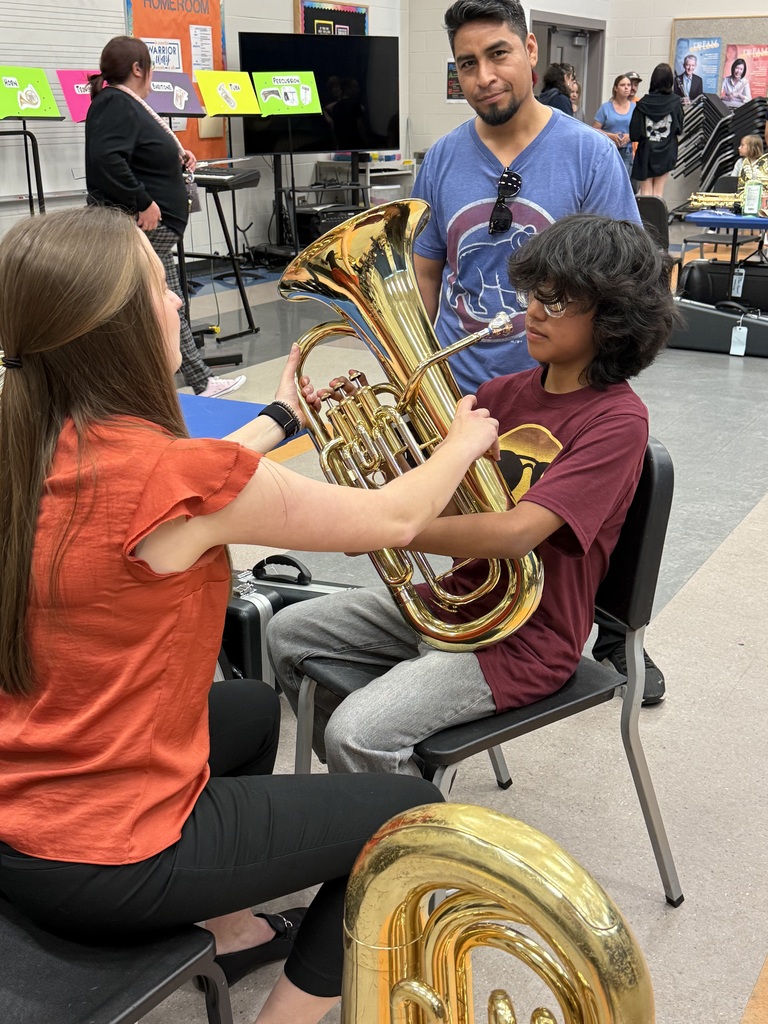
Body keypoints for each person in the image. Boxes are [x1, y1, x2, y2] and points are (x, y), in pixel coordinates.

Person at [0, 206, 504, 1024]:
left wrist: (279, 419)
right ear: (116, 326)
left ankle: (225, 925)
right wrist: (457, 443)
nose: (176, 303)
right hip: (108, 858)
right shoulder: (182, 478)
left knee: (244, 706)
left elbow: (194, 497)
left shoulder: (24, 440)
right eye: (160, 286)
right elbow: (390, 521)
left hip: (21, 820)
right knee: (406, 815)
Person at [269, 214, 678, 776]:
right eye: (536, 292)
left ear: (612, 318)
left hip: (527, 637)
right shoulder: (499, 392)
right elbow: (443, 494)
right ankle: (370, 800)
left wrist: (380, 523)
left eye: (559, 302)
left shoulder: (617, 420)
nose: (534, 309)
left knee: (357, 732)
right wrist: (354, 433)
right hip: (458, 598)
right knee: (288, 631)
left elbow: (517, 535)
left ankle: (404, 836)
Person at [406, 0, 662, 703]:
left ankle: (609, 634)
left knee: (565, 540)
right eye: (466, 63)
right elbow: (427, 268)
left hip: (566, 393)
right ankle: (456, 643)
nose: (483, 75)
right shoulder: (444, 159)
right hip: (468, 385)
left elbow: (623, 273)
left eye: (497, 54)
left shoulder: (589, 153)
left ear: (527, 49)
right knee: (472, 541)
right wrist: (410, 372)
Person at [85, 35, 245, 400]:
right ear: (138, 68)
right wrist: (143, 201)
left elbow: (138, 151)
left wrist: (177, 155)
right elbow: (108, 159)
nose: (153, 73)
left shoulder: (124, 103)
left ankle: (200, 380)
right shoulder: (115, 103)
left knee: (168, 298)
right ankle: (142, 384)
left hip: (152, 227)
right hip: (140, 223)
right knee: (155, 301)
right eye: (150, 66)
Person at [629, 63, 683, 200]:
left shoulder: (642, 103)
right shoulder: (676, 102)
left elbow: (634, 133)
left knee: (645, 193)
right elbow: (679, 128)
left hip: (646, 150)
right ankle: (658, 221)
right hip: (666, 150)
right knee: (658, 193)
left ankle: (644, 221)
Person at [592, 75, 634, 176]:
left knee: (624, 181)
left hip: (627, 151)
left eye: (628, 85)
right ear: (616, 88)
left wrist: (630, 136)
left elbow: (640, 130)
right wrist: (610, 136)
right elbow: (594, 130)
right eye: (622, 85)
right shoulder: (605, 108)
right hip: (609, 149)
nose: (626, 87)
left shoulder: (635, 108)